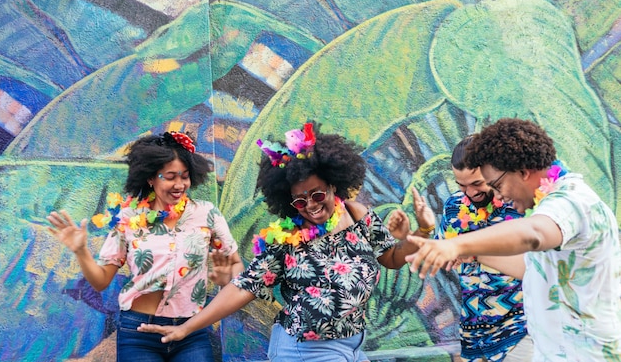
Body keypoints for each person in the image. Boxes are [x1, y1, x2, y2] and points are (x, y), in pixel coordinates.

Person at [138, 122, 425, 362]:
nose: (310, 205)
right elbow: (245, 288)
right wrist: (186, 328)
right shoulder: (286, 239)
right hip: (306, 351)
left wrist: (420, 232)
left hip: (352, 346)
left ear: (333, 185)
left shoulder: (356, 213)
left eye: (317, 194)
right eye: (299, 200)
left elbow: (392, 258)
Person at [406, 118, 621, 361]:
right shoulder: (555, 202)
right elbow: (530, 266)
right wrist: (471, 253)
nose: (499, 195)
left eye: (497, 185)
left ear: (522, 172)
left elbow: (534, 234)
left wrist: (457, 243)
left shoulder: (570, 201)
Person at [47, 131, 244, 362]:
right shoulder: (128, 217)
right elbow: (100, 281)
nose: (179, 184)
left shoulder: (207, 213)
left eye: (185, 176)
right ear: (151, 178)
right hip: (138, 332)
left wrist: (225, 279)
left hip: (191, 331)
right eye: (170, 177)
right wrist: (80, 251)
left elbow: (237, 267)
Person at [388, 135, 532, 362]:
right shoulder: (455, 206)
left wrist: (469, 251)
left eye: (477, 184)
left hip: (520, 331)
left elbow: (531, 267)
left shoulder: (519, 206)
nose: (471, 193)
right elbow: (439, 257)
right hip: (474, 335)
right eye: (462, 185)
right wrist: (414, 234)